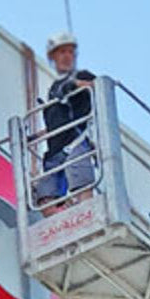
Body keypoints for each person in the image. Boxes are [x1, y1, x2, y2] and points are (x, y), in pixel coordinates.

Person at [33, 31, 97, 214]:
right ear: (53, 57)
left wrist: (74, 85)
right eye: (62, 52)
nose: (67, 56)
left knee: (82, 187)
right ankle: (70, 219)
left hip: (75, 143)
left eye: (70, 52)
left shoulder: (82, 76)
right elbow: (57, 124)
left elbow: (94, 86)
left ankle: (86, 216)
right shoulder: (54, 89)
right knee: (45, 200)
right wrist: (34, 137)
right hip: (55, 149)